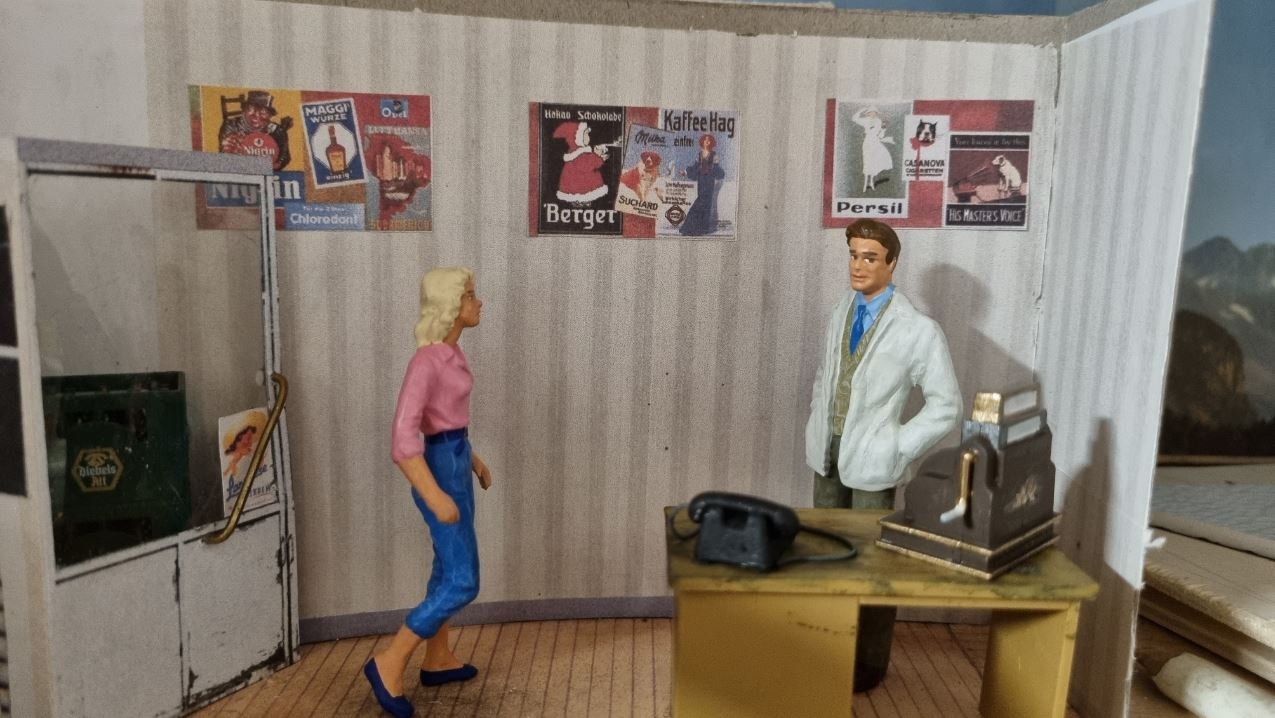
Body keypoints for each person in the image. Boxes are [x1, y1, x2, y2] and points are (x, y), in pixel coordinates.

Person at [805, 218, 960, 692]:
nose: (858, 265)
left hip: (874, 462)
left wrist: (899, 448)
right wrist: (817, 418)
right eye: (854, 255)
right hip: (827, 454)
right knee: (825, 556)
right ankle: (824, 651)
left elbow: (946, 405)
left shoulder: (918, 330)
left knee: (872, 565)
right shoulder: (842, 310)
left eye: (870, 257)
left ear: (892, 263)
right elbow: (827, 376)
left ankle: (868, 664)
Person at [364, 267, 493, 718]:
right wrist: (434, 494)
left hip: (454, 459)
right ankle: (390, 660)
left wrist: (471, 458)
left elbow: (447, 422)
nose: (478, 302)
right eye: (471, 295)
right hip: (437, 471)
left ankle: (437, 658)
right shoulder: (425, 362)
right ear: (451, 305)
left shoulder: (451, 353)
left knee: (445, 567)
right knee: (462, 580)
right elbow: (403, 440)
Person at [218, 90, 293, 171]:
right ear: (244, 111)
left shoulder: (276, 130)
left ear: (269, 116)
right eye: (252, 109)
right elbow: (226, 157)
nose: (256, 115)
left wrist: (281, 135)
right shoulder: (231, 125)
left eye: (263, 112)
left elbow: (284, 159)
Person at [679, 133, 725, 236]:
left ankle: (702, 229)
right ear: (702, 142)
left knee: (706, 204)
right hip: (701, 181)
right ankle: (690, 228)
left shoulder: (714, 155)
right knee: (699, 203)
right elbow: (695, 167)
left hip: (709, 181)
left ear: (711, 143)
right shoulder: (699, 155)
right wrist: (685, 172)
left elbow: (716, 168)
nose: (707, 141)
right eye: (705, 140)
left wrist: (717, 173)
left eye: (709, 140)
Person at [851, 106, 895, 192]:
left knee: (874, 162)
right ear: (868, 113)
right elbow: (854, 118)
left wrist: (883, 129)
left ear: (876, 113)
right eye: (871, 112)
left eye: (874, 112)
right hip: (867, 142)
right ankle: (865, 184)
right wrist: (862, 109)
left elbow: (880, 135)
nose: (873, 114)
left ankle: (871, 183)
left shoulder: (879, 121)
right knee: (867, 161)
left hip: (875, 142)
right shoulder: (865, 120)